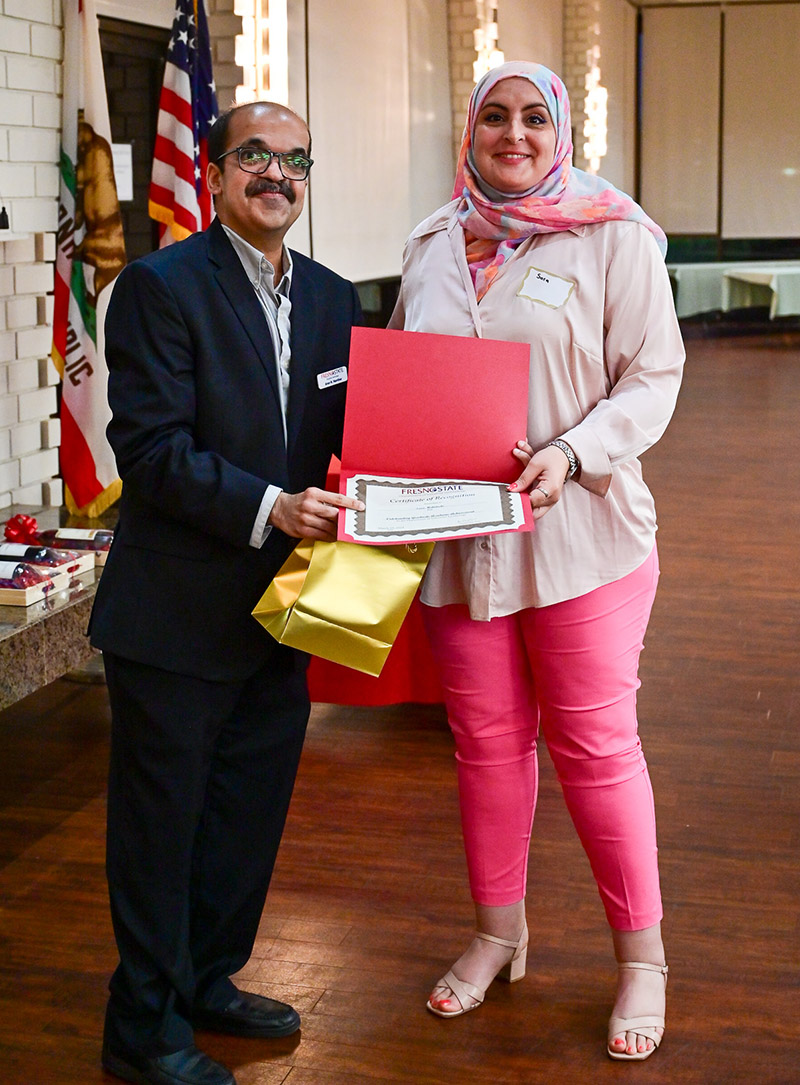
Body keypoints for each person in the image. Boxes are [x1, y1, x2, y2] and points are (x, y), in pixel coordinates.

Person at [389, 61, 684, 1062]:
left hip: (582, 537)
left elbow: (651, 376)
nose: (511, 134)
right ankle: (496, 933)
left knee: (596, 750)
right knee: (483, 743)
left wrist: (570, 449)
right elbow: (407, 375)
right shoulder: (430, 241)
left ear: (556, 131)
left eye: (530, 118)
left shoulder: (612, 234)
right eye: (493, 118)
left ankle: (638, 955)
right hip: (460, 545)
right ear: (467, 131)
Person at [89, 101, 364, 1085]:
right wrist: (272, 508)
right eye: (256, 153)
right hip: (173, 615)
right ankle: (141, 1023)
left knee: (243, 818)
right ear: (212, 171)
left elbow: (356, 444)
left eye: (295, 158)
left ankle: (207, 978)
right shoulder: (159, 288)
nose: (277, 173)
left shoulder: (334, 297)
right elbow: (151, 451)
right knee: (160, 830)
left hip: (286, 608)